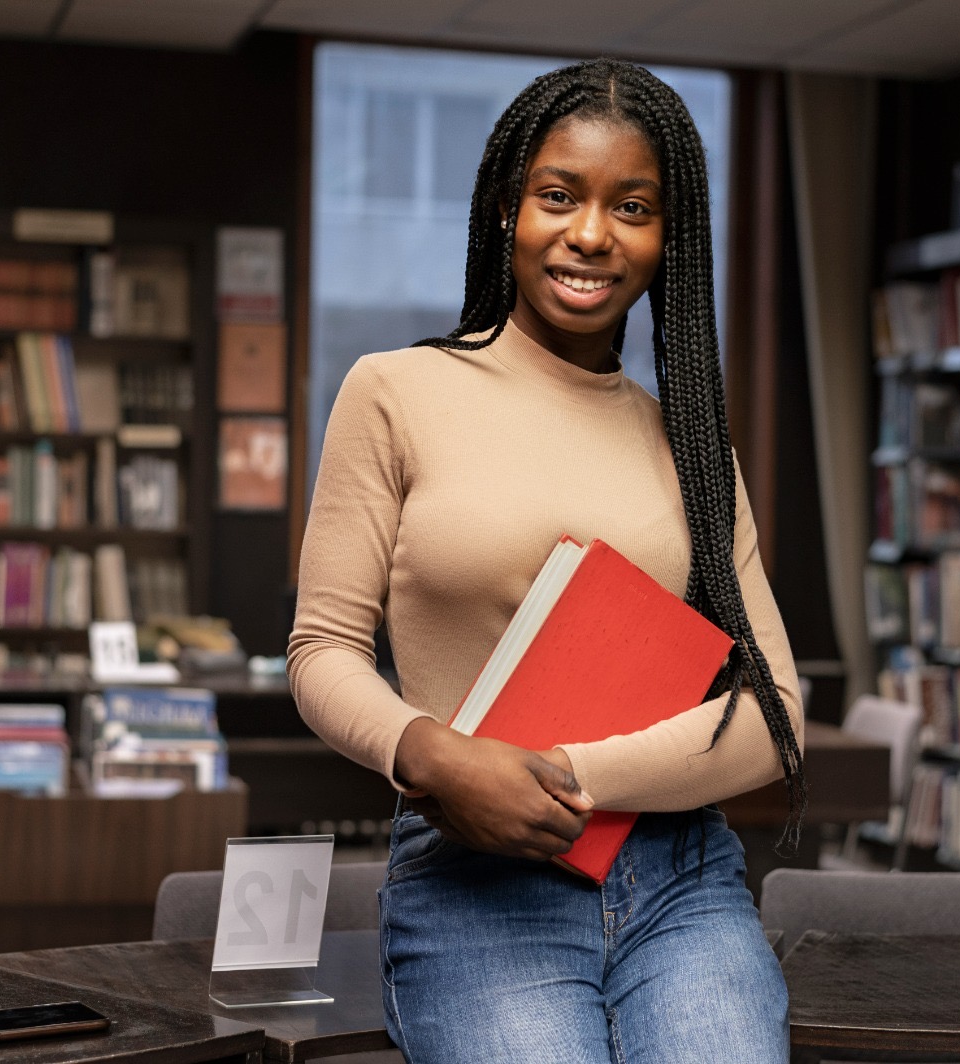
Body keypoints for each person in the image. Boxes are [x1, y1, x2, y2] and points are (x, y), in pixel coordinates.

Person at [288, 56, 805, 1063]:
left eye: (633, 207)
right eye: (558, 196)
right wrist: (431, 753)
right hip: (476, 880)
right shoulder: (395, 391)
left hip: (680, 875)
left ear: (667, 240)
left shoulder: (694, 447)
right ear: (504, 211)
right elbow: (320, 650)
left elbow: (773, 709)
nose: (590, 235)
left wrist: (565, 774)